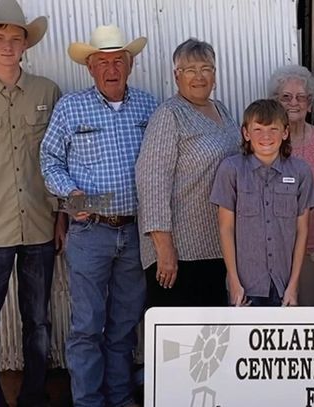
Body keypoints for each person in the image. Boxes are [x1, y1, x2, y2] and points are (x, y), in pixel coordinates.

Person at [40, 25, 157, 406]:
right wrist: (73, 197)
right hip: (90, 230)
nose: (111, 69)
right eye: (102, 62)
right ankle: (88, 401)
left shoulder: (148, 106)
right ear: (90, 67)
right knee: (87, 326)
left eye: (118, 60)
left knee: (124, 326)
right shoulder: (71, 107)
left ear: (131, 63)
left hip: (135, 231)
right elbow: (49, 160)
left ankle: (120, 399)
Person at [0, 0, 63, 405]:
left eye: (16, 38)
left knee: (38, 321)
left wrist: (60, 217)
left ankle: (32, 396)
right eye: (0, 38)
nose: (8, 45)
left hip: (39, 224)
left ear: (26, 45)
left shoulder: (47, 92)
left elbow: (63, 160)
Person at [136, 38, 240, 307]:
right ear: (176, 76)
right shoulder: (169, 115)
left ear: (215, 75)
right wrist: (164, 247)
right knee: (180, 342)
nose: (199, 76)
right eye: (190, 69)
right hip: (180, 254)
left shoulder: (222, 111)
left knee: (213, 339)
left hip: (217, 246)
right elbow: (152, 181)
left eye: (206, 68)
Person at [210, 99, 314, 306]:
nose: (266, 136)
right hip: (245, 287)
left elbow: (302, 231)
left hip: (283, 286)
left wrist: (293, 286)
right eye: (258, 129)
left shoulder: (301, 172)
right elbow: (226, 228)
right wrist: (233, 281)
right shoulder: (231, 170)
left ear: (285, 133)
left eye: (273, 129)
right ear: (246, 133)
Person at [268, 65, 314, 306]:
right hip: (272, 249)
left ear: (310, 102)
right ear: (275, 101)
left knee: (309, 316)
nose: (294, 103)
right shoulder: (265, 141)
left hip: (313, 249)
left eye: (301, 97)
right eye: (286, 97)